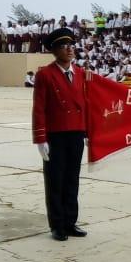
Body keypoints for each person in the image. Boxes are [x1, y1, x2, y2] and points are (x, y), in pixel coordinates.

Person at [32, 28, 88, 242]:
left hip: (76, 133)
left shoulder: (81, 73)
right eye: (64, 45)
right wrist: (40, 139)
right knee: (55, 181)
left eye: (71, 45)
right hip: (55, 135)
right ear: (54, 50)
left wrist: (87, 131)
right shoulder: (45, 74)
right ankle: (57, 225)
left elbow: (87, 103)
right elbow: (39, 108)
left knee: (72, 180)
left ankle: (70, 222)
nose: (70, 49)